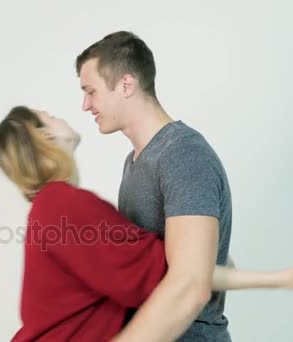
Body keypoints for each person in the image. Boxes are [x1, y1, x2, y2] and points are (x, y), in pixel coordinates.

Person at [0, 106, 293, 342]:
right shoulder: (63, 205)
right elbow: (182, 275)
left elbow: (180, 271)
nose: (81, 106)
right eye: (49, 116)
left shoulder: (53, 208)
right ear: (44, 137)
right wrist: (281, 280)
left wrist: (282, 280)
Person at [76, 30, 228, 341]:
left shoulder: (183, 155)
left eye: (91, 91)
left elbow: (191, 286)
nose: (85, 105)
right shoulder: (134, 161)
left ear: (126, 84)